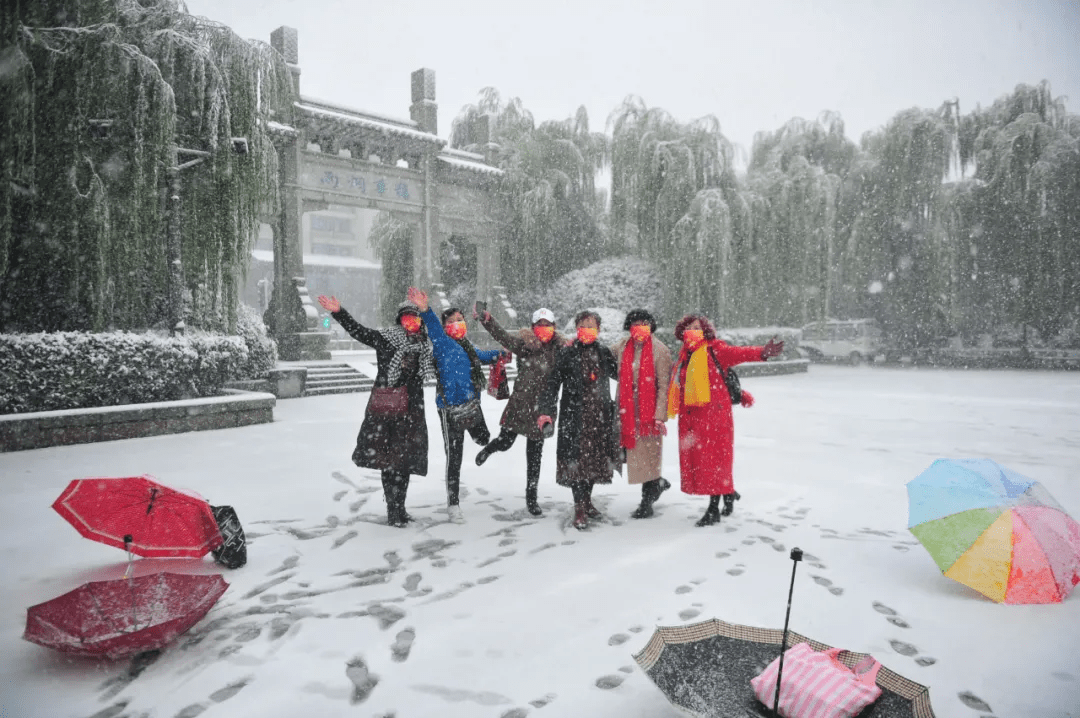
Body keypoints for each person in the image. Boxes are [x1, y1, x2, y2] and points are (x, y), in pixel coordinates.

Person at [316, 294, 435, 528]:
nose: (412, 321)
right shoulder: (387, 338)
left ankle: (401, 507)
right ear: (400, 319)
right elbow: (358, 331)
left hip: (411, 410)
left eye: (416, 317)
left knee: (405, 461)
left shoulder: (423, 345)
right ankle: (393, 510)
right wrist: (339, 312)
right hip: (387, 408)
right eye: (407, 317)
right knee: (388, 460)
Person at [667, 314, 784, 526]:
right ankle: (727, 491)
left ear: (705, 330)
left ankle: (714, 509)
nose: (692, 331)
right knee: (702, 462)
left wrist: (762, 352)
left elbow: (738, 353)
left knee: (714, 461)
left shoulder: (715, 349)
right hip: (691, 417)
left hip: (714, 417)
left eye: (697, 327)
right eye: (688, 328)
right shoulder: (685, 355)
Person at [407, 287, 505, 524]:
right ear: (444, 326)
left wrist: (501, 353)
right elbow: (431, 324)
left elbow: (482, 355)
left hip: (472, 405)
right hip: (449, 410)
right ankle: (453, 504)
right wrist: (424, 309)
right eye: (451, 321)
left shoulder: (468, 347)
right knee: (455, 457)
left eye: (460, 320)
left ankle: (481, 444)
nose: (457, 324)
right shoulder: (441, 342)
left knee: (483, 437)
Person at [474, 306, 567, 516]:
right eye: (539, 325)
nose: (544, 329)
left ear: (554, 327)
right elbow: (503, 337)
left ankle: (531, 498)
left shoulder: (560, 350)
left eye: (548, 325)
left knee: (534, 456)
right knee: (505, 443)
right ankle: (490, 449)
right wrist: (488, 321)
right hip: (520, 405)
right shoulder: (525, 346)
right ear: (533, 328)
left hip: (543, 410)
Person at [537, 310, 621, 530]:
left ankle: (588, 501)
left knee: (593, 462)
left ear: (599, 329)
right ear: (576, 328)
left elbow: (620, 374)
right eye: (583, 325)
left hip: (600, 416)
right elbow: (552, 384)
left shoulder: (603, 353)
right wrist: (547, 411)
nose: (587, 329)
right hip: (574, 417)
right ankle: (580, 508)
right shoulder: (568, 353)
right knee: (576, 464)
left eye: (591, 325)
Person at [611, 309, 673, 519]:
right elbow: (603, 356)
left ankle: (647, 502)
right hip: (626, 411)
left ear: (651, 325)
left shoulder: (660, 350)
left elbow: (665, 386)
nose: (639, 327)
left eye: (643, 323)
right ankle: (657, 484)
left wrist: (659, 415)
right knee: (632, 456)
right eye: (635, 323)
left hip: (648, 414)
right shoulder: (622, 346)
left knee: (648, 458)